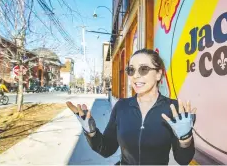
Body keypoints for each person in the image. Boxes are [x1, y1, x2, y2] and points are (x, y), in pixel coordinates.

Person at [66, 48, 197, 165]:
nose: (135, 75)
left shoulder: (174, 109)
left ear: (158, 74)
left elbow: (183, 160)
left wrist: (185, 139)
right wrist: (91, 132)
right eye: (131, 70)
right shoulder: (121, 107)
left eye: (143, 69)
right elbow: (106, 149)